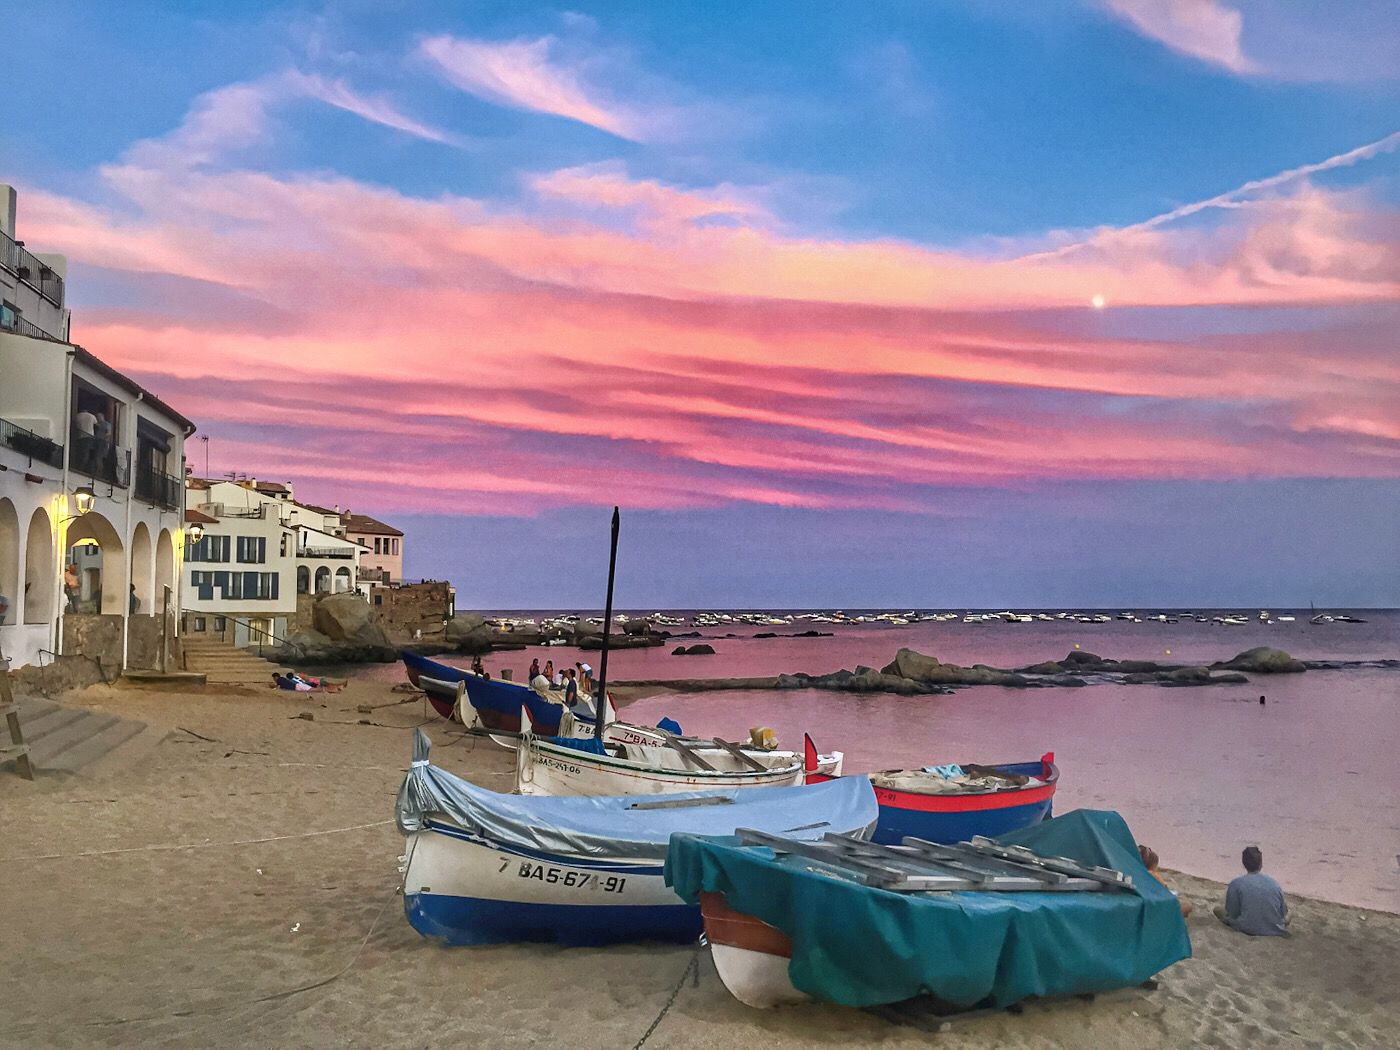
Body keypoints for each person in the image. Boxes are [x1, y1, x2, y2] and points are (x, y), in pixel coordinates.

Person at [1213, 846, 1289, 936]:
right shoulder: (1274, 884)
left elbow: (1232, 913)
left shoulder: (1236, 883)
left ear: (1243, 863)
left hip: (1246, 927)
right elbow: (1283, 912)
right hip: (1273, 928)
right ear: (1261, 864)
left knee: (1217, 910)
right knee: (1290, 914)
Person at [1139, 845, 1193, 918]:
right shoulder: (1153, 875)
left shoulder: (1138, 872)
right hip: (1159, 905)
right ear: (1154, 865)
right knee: (1187, 906)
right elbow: (1163, 891)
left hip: (1153, 902)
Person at [74, 405, 97, 471]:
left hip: (79, 437)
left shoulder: (77, 416)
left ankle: (78, 466)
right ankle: (83, 467)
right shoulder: (91, 416)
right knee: (86, 453)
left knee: (80, 452)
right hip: (89, 437)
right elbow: (97, 425)